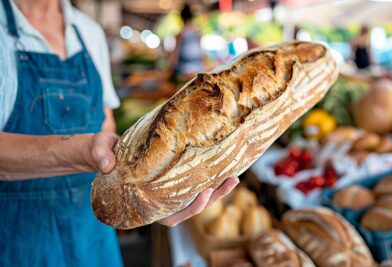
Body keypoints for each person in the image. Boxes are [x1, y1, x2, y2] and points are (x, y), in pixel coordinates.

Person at [0, 0, 239, 266]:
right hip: (17, 239)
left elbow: (106, 125)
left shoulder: (88, 31)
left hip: (91, 233)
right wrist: (82, 151)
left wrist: (148, 192)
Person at [168, 3, 204, 82]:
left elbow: (174, 59)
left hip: (183, 73)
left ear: (181, 18)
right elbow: (202, 56)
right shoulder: (197, 35)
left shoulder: (180, 36)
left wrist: (169, 73)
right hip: (198, 71)